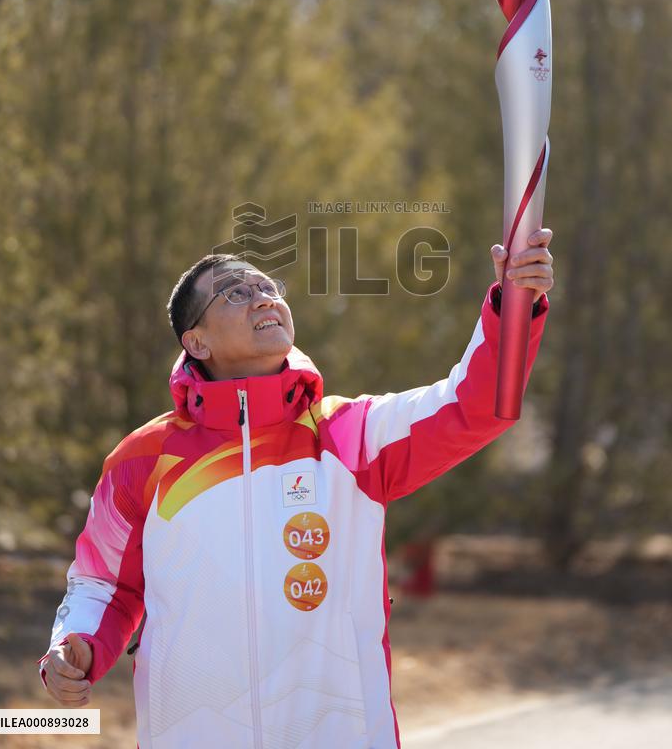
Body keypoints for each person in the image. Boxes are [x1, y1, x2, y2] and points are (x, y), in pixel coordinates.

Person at [39, 231, 553, 748]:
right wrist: (76, 644)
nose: (263, 297)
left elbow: (475, 404)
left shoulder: (349, 435)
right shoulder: (143, 460)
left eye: (267, 286)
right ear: (197, 342)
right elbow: (104, 584)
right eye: (235, 293)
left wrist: (514, 303)